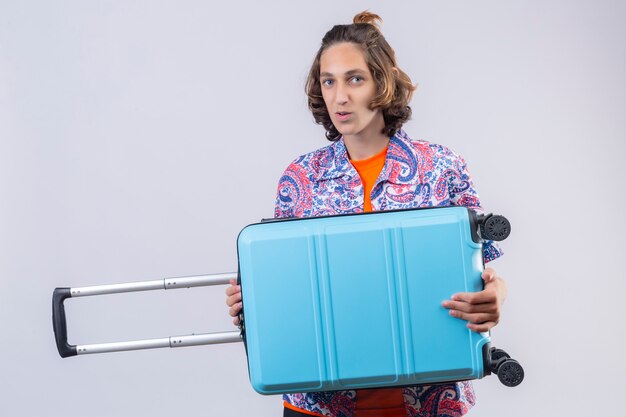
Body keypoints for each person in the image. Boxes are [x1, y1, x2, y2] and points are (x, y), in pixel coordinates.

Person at [226, 11, 508, 417]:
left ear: (382, 81)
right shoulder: (300, 178)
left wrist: (498, 295)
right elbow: (289, 286)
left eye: (354, 79)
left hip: (426, 401)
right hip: (319, 406)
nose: (340, 96)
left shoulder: (442, 168)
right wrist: (252, 300)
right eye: (329, 81)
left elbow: (485, 272)